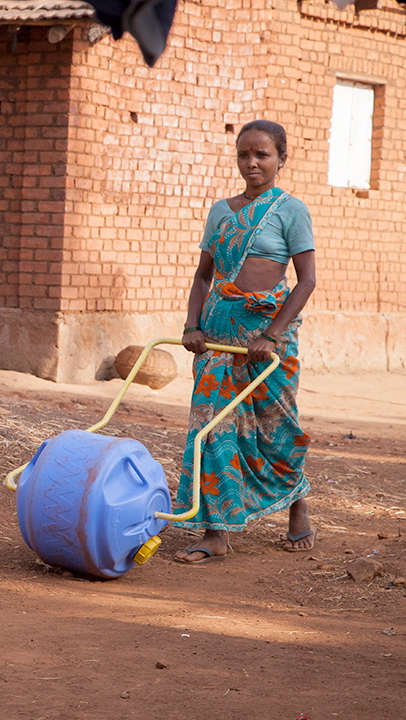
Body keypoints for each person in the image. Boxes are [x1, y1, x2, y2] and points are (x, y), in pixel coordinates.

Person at [174, 120, 317, 564]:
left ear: (281, 159)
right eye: (244, 155)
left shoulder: (290, 211)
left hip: (267, 344)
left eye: (262, 154)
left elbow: (306, 281)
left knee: (276, 431)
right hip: (218, 339)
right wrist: (192, 326)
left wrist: (271, 336)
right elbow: (204, 276)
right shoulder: (221, 210)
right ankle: (216, 533)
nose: (252, 163)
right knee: (212, 428)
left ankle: (297, 503)